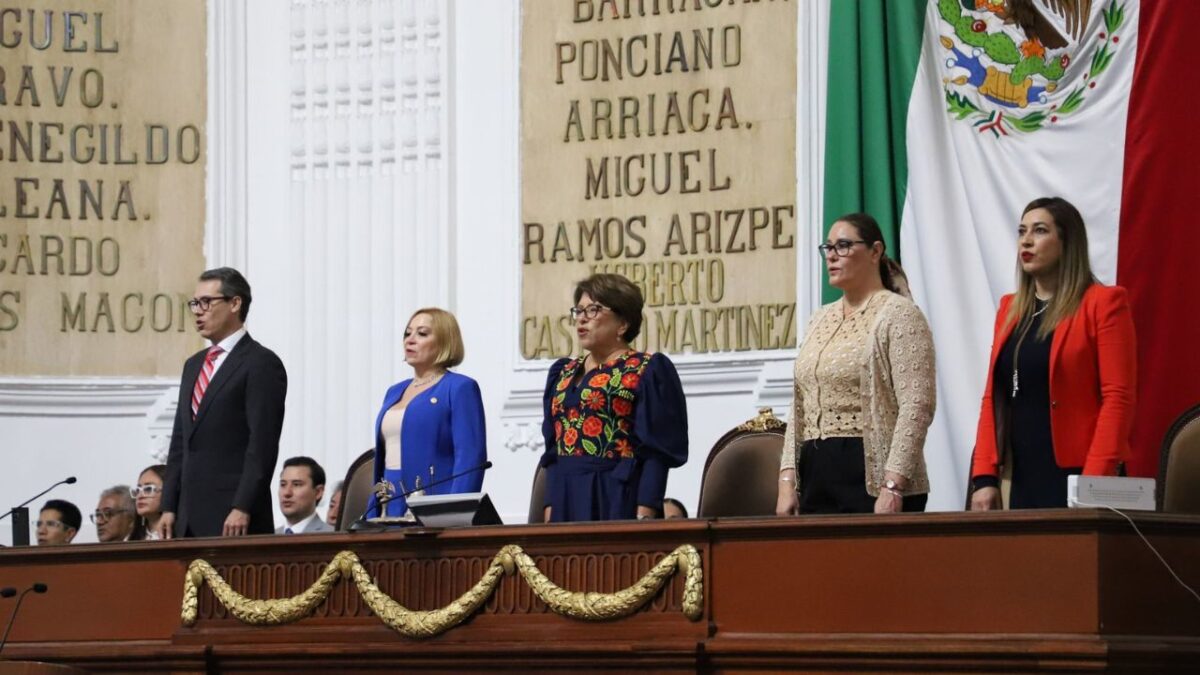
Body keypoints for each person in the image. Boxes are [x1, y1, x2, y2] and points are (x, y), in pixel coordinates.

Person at [970, 197, 1137, 510]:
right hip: (1019, 474)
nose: (1027, 240)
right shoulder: (1010, 308)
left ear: (1067, 242)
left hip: (1080, 472)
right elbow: (992, 397)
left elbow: (1118, 398)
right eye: (1022, 231)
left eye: (1040, 230)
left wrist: (1094, 482)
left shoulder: (1104, 303)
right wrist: (984, 477)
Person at [776, 213, 936, 515]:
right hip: (816, 474)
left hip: (872, 476)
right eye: (828, 248)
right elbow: (799, 406)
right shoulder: (820, 318)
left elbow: (917, 405)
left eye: (844, 246)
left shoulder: (899, 314)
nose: (832, 256)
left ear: (875, 251)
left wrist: (893, 485)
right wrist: (787, 480)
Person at [540, 273, 689, 522]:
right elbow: (553, 450)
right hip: (566, 495)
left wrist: (645, 512)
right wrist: (550, 507)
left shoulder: (646, 369)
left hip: (615, 494)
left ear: (623, 323)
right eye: (578, 310)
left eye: (594, 309)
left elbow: (656, 453)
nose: (582, 318)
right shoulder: (562, 372)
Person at [160, 267, 288, 538]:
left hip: (234, 517)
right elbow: (180, 442)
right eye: (195, 303)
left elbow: (261, 444)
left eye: (206, 302)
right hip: (186, 517)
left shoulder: (260, 363)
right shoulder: (193, 365)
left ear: (235, 303)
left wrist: (242, 505)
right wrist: (169, 506)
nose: (197, 310)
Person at [368, 308, 487, 519]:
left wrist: (455, 515)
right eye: (407, 333)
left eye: (422, 334)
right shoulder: (394, 392)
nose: (410, 340)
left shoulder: (458, 388)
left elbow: (470, 458)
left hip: (432, 506)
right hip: (389, 500)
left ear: (444, 341)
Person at [276, 456, 333, 534]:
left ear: (318, 492)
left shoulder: (332, 537)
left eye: (296, 485)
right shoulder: (266, 538)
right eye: (283, 484)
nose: (287, 493)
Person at [131, 464, 167, 541]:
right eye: (138, 490)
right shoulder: (130, 539)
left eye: (148, 489)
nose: (140, 496)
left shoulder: (183, 536)